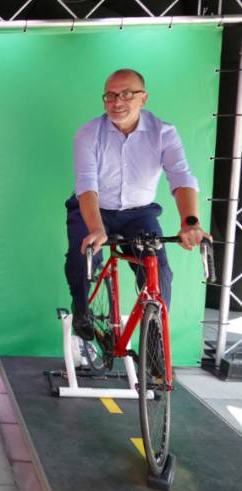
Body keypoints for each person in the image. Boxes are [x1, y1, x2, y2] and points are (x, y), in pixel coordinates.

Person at [65, 68, 210, 340]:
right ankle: (81, 307)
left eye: (126, 94)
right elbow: (87, 185)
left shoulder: (164, 133)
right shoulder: (88, 133)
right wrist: (96, 228)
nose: (117, 102)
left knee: (158, 270)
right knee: (82, 253)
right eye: (110, 96)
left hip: (139, 214)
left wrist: (190, 222)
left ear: (143, 98)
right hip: (95, 209)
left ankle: (155, 340)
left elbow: (181, 177)